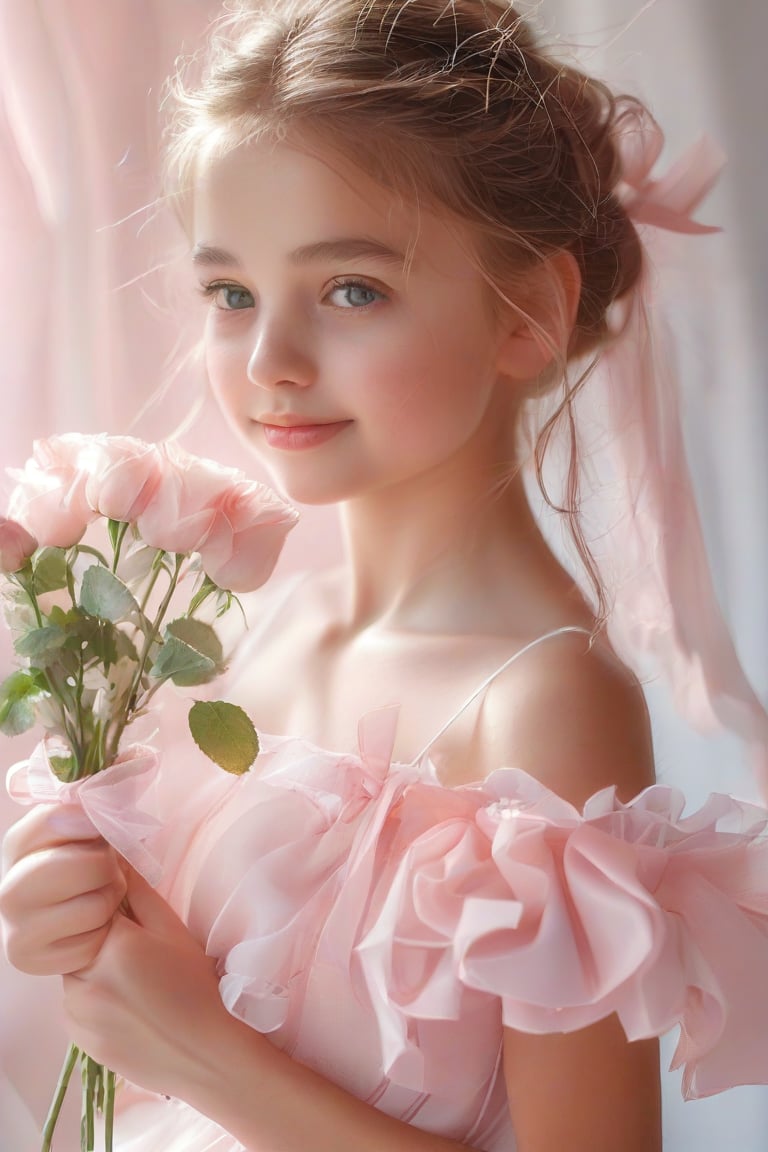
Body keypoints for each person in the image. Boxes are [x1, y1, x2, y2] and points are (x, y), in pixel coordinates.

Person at [2, 2, 768, 1150]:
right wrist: (66, 913)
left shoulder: (541, 704)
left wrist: (202, 1054)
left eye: (351, 289)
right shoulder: (257, 633)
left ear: (531, 315)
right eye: (232, 294)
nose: (270, 362)